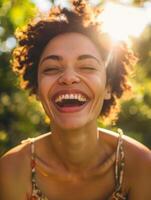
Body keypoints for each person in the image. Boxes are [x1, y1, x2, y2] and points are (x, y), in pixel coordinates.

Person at [0, 1, 151, 199]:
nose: (69, 77)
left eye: (87, 67)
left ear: (107, 88)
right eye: (52, 69)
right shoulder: (12, 169)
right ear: (37, 90)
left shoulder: (141, 166)